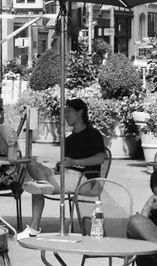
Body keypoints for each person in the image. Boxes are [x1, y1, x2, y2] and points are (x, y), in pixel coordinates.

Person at [25, 97, 107, 234]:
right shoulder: (68, 140)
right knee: (31, 163)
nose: (66, 115)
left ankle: (34, 228)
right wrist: (60, 166)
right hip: (67, 175)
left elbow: (100, 158)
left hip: (85, 179)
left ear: (80, 112)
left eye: (69, 111)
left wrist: (74, 162)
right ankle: (45, 184)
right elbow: (67, 163)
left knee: (37, 186)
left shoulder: (93, 134)